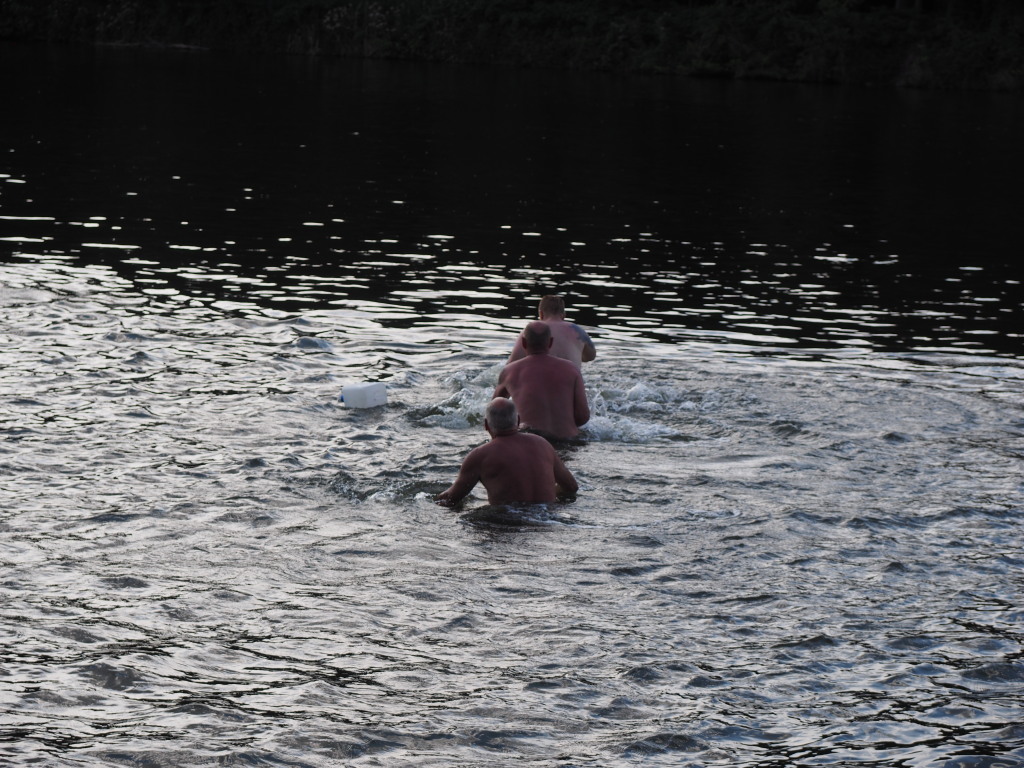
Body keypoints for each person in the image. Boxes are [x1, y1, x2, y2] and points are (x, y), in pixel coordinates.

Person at [436, 398, 578, 506]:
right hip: (548, 521)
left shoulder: (480, 456)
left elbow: (450, 500)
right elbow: (571, 487)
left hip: (509, 525)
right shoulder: (543, 444)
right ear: (518, 420)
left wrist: (430, 499)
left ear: (486, 425)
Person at [495, 321, 589, 441]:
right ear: (550, 342)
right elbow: (582, 417)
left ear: (523, 342)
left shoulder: (509, 371)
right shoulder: (572, 369)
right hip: (567, 441)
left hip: (530, 441)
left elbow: (495, 413)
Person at [507, 295, 596, 370]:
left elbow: (509, 366)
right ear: (564, 315)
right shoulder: (578, 331)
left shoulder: (531, 331)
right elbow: (590, 357)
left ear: (541, 314)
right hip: (571, 381)